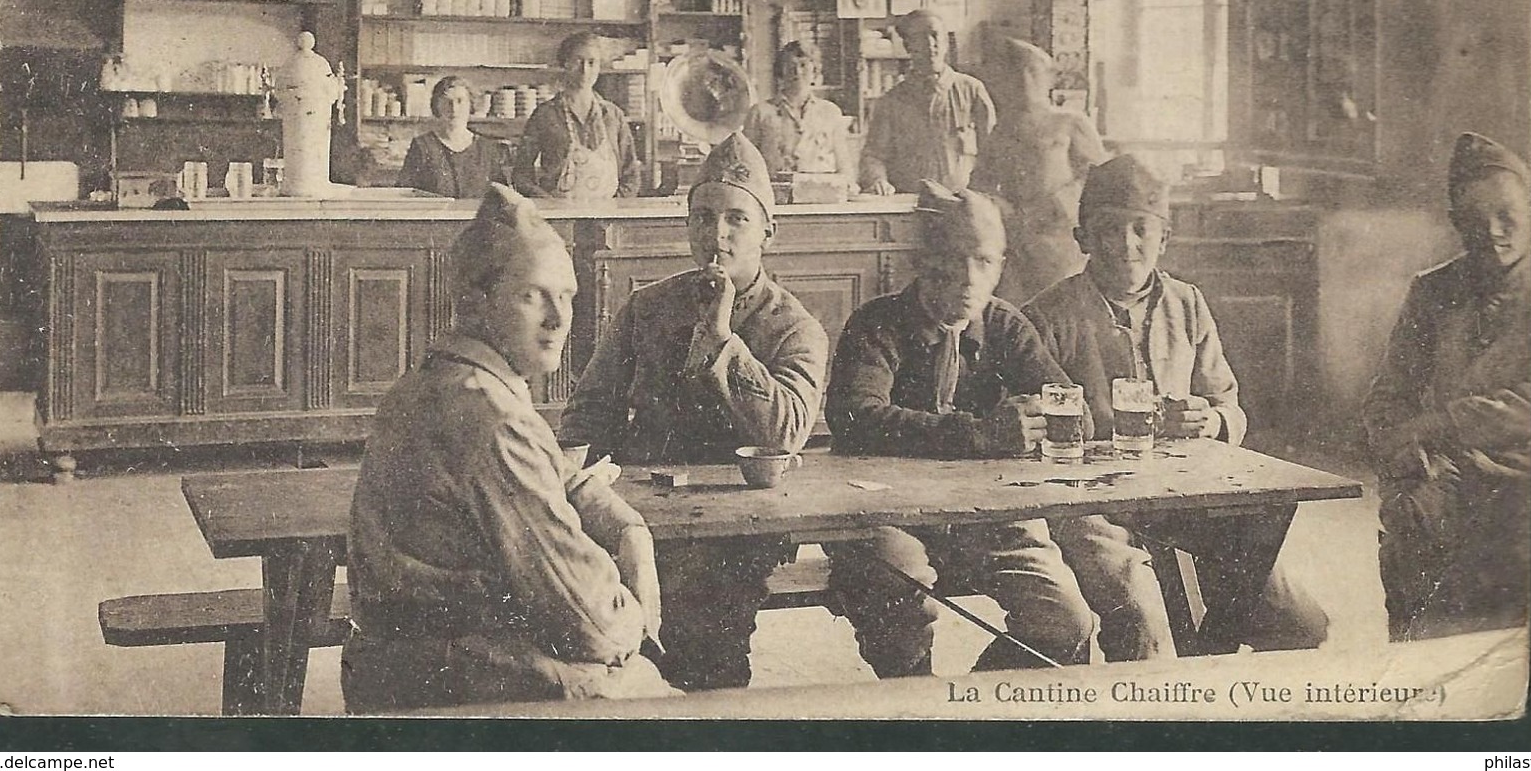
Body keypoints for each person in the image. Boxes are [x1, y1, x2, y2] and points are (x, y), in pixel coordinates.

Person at [342, 185, 674, 712]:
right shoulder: (491, 416)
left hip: (402, 668)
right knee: (683, 711)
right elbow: (589, 621)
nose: (558, 319)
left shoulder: (443, 380)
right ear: (477, 300)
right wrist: (635, 612)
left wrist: (628, 529)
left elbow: (552, 476)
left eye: (566, 297)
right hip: (455, 685)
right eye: (532, 295)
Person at [1023, 154, 1329, 658]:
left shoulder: (1187, 304)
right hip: (1090, 507)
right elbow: (1031, 433)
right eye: (1108, 230)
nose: (1126, 245)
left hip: (1187, 497)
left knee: (1300, 624)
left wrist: (1212, 419)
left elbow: (1228, 403)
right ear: (1082, 240)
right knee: (1144, 630)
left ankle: (1208, 670)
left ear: (1164, 239)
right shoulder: (1046, 316)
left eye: (1141, 229)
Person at [559, 132, 829, 691]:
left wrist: (724, 341)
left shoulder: (795, 327)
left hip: (739, 517)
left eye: (736, 219)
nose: (718, 234)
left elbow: (787, 432)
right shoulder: (648, 306)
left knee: (700, 628)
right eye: (703, 217)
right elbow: (589, 412)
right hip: (646, 502)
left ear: (767, 234)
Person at [824, 181, 1112, 676]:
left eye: (984, 262)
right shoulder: (876, 323)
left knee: (1066, 619)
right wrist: (981, 435)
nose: (967, 279)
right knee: (902, 597)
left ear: (1001, 266)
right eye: (952, 259)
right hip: (884, 512)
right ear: (921, 260)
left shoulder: (1004, 324)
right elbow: (856, 417)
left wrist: (1043, 419)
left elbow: (1071, 407)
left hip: (983, 514)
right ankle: (913, 705)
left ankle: (959, 710)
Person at [1364, 132, 1531, 641]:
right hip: (1448, 469)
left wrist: (1440, 423)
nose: (1494, 232)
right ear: (1458, 224)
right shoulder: (1434, 290)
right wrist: (1398, 447)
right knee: (1413, 520)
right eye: (1476, 221)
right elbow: (1387, 395)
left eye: (1507, 216)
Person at [971, 38, 1109, 302]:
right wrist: (998, 204)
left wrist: (1058, 203)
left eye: (1032, 71)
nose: (1024, 81)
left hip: (1060, 238)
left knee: (1060, 308)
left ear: (1048, 79)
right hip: (1014, 240)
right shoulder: (1001, 131)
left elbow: (1099, 177)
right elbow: (980, 183)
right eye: (1016, 73)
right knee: (1016, 311)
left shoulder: (1070, 123)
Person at [859, 9, 996, 194]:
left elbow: (993, 150)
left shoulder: (972, 90)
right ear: (908, 46)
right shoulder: (891, 102)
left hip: (964, 204)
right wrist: (878, 180)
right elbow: (873, 156)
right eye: (919, 38)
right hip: (913, 203)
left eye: (934, 35)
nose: (930, 44)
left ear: (946, 42)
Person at [513, 32, 641, 199]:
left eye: (592, 63)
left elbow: (631, 175)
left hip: (607, 217)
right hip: (560, 217)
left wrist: (613, 208)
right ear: (565, 64)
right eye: (578, 61)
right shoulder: (545, 114)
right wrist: (548, 205)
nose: (584, 70)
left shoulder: (613, 116)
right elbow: (521, 176)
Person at [742, 41, 856, 186]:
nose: (797, 72)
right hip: (775, 195)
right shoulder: (760, 112)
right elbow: (746, 162)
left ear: (815, 71)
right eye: (790, 66)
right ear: (781, 72)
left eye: (803, 65)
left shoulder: (830, 112)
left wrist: (850, 185)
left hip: (821, 194)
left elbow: (843, 162)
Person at [396, 75, 512, 198]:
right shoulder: (423, 146)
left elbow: (502, 198)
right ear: (437, 106)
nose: (454, 108)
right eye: (446, 101)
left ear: (471, 105)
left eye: (460, 101)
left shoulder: (487, 149)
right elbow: (404, 193)